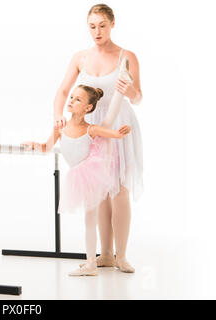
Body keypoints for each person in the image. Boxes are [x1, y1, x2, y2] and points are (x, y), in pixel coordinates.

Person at [53, 4, 143, 273]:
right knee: (99, 191)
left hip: (119, 125)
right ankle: (105, 254)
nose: (97, 31)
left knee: (120, 189)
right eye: (92, 26)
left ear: (113, 24)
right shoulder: (80, 57)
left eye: (102, 25)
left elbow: (139, 98)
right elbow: (63, 91)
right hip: (91, 125)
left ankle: (122, 255)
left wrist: (130, 91)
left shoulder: (127, 56)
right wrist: (59, 116)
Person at [21, 84, 130, 276]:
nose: (71, 101)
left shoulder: (91, 129)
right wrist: (34, 144)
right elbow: (46, 147)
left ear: (88, 108)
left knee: (89, 219)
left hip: (91, 175)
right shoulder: (60, 127)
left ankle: (91, 264)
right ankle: (91, 263)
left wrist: (122, 131)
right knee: (89, 219)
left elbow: (114, 134)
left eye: (77, 99)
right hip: (78, 175)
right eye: (71, 97)